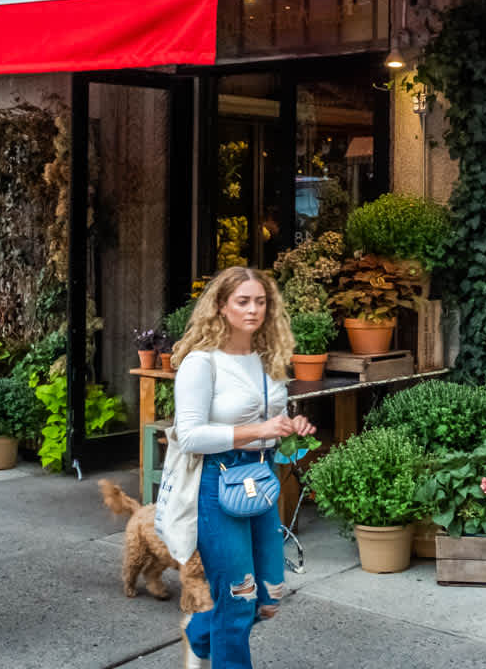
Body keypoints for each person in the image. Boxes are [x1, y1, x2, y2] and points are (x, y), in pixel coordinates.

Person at [162, 265, 316, 669]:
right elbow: (189, 436)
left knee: (267, 597)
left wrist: (289, 426)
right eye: (243, 301)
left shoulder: (266, 359)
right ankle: (215, 640)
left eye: (260, 302)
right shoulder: (202, 363)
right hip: (217, 481)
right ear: (221, 306)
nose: (253, 310)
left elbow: (271, 419)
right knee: (238, 598)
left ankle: (199, 633)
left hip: (260, 479)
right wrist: (258, 430)